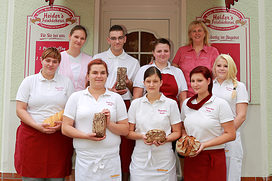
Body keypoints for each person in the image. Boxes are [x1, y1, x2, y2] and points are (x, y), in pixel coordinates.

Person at [61, 59, 129, 181]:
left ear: (107, 76)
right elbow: (65, 128)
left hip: (110, 160)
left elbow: (125, 130)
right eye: (95, 73)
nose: (99, 76)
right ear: (87, 76)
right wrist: (86, 136)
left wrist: (109, 124)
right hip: (85, 160)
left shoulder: (116, 98)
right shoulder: (76, 97)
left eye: (103, 73)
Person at [15, 47, 74, 181]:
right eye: (48, 60)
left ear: (59, 64)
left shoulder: (66, 82)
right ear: (41, 60)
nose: (51, 64)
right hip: (32, 136)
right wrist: (36, 126)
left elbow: (71, 109)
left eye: (54, 61)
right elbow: (20, 109)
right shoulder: (29, 81)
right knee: (31, 176)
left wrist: (61, 125)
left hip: (58, 138)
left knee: (56, 177)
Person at [93, 25, 140, 181]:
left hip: (125, 104)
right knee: (103, 141)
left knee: (125, 147)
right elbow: (92, 84)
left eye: (120, 38)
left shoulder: (133, 62)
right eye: (113, 38)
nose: (117, 41)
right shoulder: (98, 58)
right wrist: (109, 91)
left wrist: (128, 84)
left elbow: (137, 89)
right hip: (102, 103)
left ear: (125, 39)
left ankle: (124, 177)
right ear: (108, 39)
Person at [180, 66, 236, 181]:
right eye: (193, 81)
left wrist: (204, 145)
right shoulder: (186, 104)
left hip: (213, 158)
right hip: (192, 158)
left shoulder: (220, 104)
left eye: (199, 80)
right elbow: (183, 128)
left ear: (209, 81)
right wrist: (185, 141)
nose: (195, 84)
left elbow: (230, 134)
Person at [127, 66, 182, 181]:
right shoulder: (136, 104)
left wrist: (164, 139)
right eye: (148, 81)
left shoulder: (171, 104)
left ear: (161, 83)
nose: (151, 85)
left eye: (155, 81)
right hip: (141, 159)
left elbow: (177, 132)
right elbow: (129, 132)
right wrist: (142, 136)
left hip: (164, 159)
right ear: (143, 83)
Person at [212, 54, 248, 181]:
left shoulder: (239, 86)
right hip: (212, 136)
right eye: (219, 65)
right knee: (215, 172)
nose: (222, 68)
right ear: (214, 67)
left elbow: (241, 115)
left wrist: (227, 132)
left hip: (231, 137)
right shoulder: (210, 85)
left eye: (225, 66)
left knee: (231, 172)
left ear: (231, 67)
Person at [133, 38, 187, 108]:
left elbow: (182, 99)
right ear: (153, 53)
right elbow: (137, 97)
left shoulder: (177, 72)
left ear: (170, 52)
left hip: (172, 113)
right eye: (159, 51)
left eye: (166, 51)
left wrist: (183, 117)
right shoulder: (143, 70)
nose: (163, 54)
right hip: (148, 111)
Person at [172, 20, 219, 97]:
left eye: (199, 31)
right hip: (185, 95)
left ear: (205, 33)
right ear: (190, 35)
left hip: (206, 95)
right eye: (194, 31)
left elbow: (217, 74)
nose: (197, 33)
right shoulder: (182, 51)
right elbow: (173, 71)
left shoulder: (213, 51)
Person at [58, 25, 92, 91]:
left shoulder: (89, 60)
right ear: (70, 36)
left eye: (82, 38)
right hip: (63, 99)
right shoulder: (59, 57)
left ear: (85, 41)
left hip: (82, 99)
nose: (79, 40)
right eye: (76, 37)